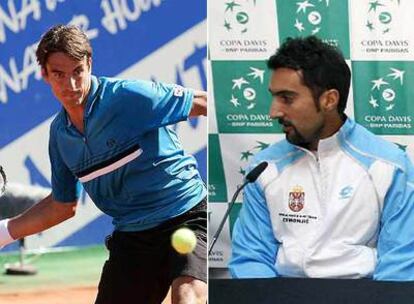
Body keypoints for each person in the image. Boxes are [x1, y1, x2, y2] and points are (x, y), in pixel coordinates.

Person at [0, 25, 207, 304]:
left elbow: (204, 102)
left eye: (77, 72)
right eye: (59, 74)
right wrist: (4, 232)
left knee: (188, 296)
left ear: (89, 65)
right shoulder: (60, 136)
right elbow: (62, 206)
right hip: (133, 236)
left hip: (187, 216)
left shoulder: (130, 98)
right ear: (44, 74)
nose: (71, 85)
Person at [229, 36, 414, 281]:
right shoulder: (263, 168)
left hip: (362, 297)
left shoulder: (390, 166)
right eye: (274, 97)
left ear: (329, 100)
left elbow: (398, 270)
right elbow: (251, 261)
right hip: (283, 297)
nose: (273, 112)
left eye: (287, 98)